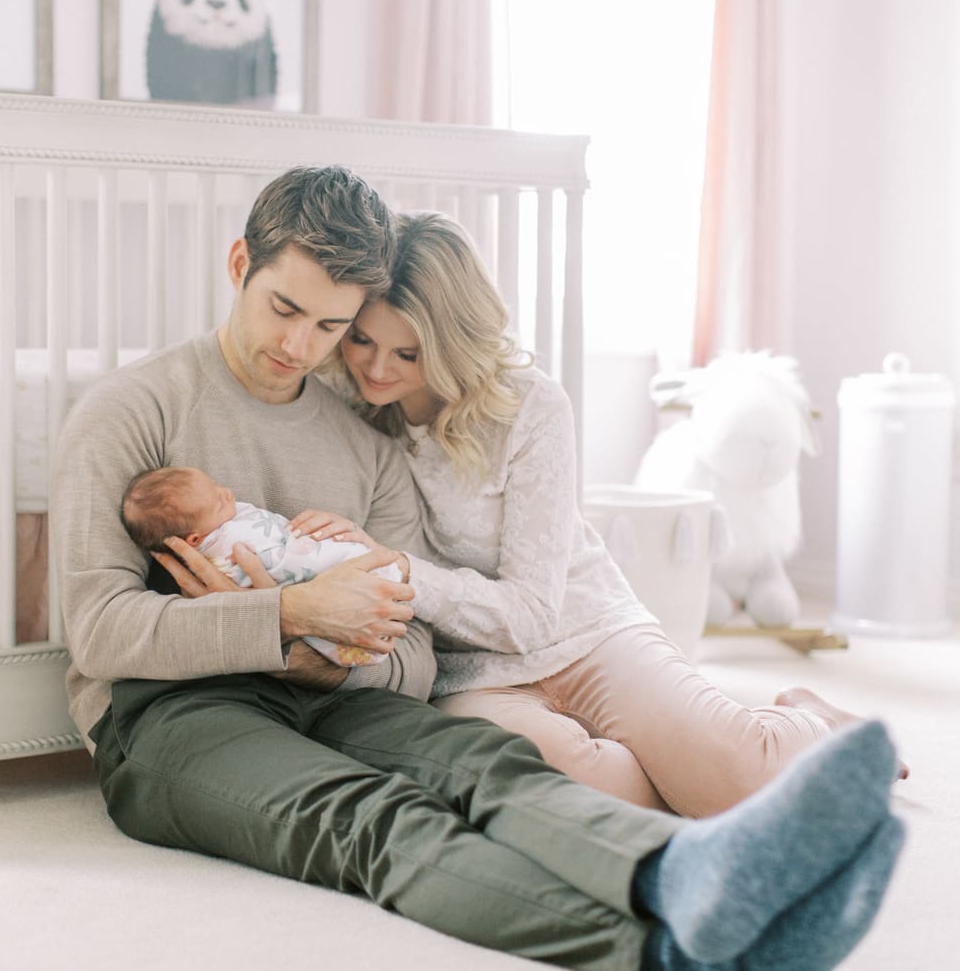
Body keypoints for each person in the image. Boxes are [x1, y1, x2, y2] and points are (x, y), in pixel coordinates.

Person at [51, 166, 905, 970]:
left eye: (331, 327)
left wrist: (333, 650)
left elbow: (417, 658)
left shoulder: (361, 436)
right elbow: (97, 630)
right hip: (176, 710)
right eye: (284, 308)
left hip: (339, 690)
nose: (301, 346)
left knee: (488, 769)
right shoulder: (131, 412)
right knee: (374, 822)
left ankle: (684, 870)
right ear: (241, 265)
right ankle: (661, 949)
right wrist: (287, 617)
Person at [305, 210, 904, 818]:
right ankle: (683, 766)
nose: (377, 369)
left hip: (586, 629)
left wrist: (404, 571)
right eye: (362, 341)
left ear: (453, 343)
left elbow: (534, 615)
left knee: (742, 782)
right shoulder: (345, 416)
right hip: (473, 674)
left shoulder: (529, 406)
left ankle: (806, 720)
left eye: (407, 353)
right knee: (576, 804)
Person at [119, 464, 399, 666]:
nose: (227, 493)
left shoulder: (221, 520)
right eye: (218, 501)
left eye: (217, 487)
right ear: (194, 538)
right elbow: (274, 567)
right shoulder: (227, 546)